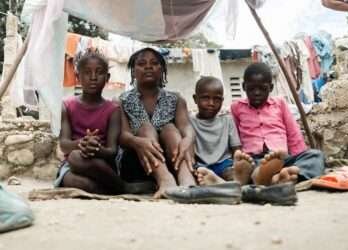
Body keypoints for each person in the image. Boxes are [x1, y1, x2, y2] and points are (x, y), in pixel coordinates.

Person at [197, 63, 325, 186]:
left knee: (316, 155)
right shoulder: (237, 107)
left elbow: (293, 134)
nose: (257, 93)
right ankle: (267, 177)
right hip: (253, 160)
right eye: (251, 88)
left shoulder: (280, 104)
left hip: (281, 158)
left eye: (262, 89)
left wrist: (298, 156)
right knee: (246, 167)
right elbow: (234, 136)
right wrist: (238, 158)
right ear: (243, 87)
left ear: (270, 88)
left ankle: (282, 175)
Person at [55, 48, 151, 195]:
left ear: (107, 77)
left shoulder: (113, 110)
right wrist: (82, 144)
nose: (93, 77)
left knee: (77, 159)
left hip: (103, 166)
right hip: (73, 166)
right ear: (77, 76)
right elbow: (64, 145)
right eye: (87, 73)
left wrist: (96, 149)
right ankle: (118, 189)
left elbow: (112, 151)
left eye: (99, 72)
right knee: (74, 166)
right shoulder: (67, 106)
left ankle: (121, 186)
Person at [119, 47, 196, 198]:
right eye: (142, 63)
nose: (148, 66)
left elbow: (186, 127)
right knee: (145, 128)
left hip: (172, 161)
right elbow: (123, 136)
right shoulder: (122, 101)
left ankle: (186, 180)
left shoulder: (176, 99)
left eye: (154, 63)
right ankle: (165, 180)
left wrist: (188, 139)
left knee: (170, 130)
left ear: (162, 70)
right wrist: (137, 142)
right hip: (136, 163)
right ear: (133, 71)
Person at [190, 76, 254, 184]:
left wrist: (239, 159)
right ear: (195, 99)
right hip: (201, 165)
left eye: (217, 99)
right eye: (205, 98)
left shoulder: (227, 120)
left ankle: (230, 181)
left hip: (224, 164)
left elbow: (236, 148)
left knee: (231, 172)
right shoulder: (190, 122)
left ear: (222, 100)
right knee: (198, 174)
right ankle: (223, 183)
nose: (211, 103)